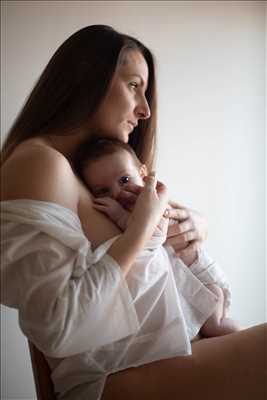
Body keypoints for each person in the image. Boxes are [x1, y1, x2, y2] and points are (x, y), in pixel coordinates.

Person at [0, 25, 266, 400]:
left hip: (165, 357)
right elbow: (58, 328)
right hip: (115, 380)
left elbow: (156, 259)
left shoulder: (91, 176)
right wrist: (139, 232)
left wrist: (195, 226)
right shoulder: (38, 164)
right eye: (134, 86)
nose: (145, 110)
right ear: (88, 78)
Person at [74, 136, 239, 339]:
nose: (117, 193)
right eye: (103, 191)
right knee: (200, 335)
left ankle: (240, 335)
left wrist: (118, 214)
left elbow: (148, 230)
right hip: (185, 284)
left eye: (124, 180)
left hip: (203, 280)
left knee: (215, 328)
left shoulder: (153, 201)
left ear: (143, 174)